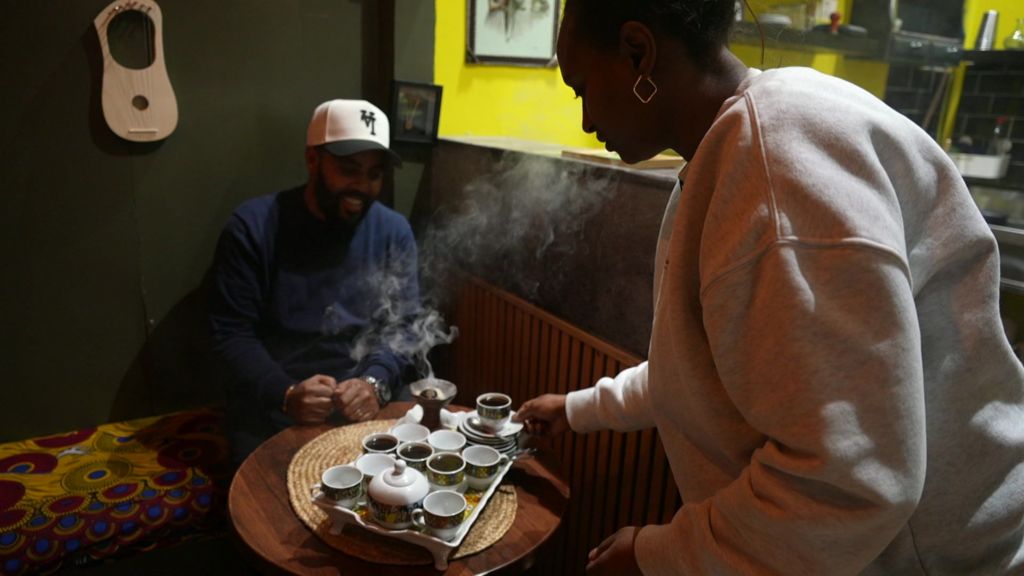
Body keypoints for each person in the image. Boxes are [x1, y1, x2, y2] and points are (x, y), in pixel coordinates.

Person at [513, 1, 1024, 574]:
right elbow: (707, 375)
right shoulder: (737, 145)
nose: (585, 119)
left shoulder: (772, 164)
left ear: (638, 52)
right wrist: (578, 409)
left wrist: (659, 555)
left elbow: (852, 480)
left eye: (582, 87)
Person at [210, 99, 420, 465]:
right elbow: (230, 333)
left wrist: (375, 382)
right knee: (269, 507)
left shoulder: (393, 231)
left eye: (374, 174)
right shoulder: (254, 227)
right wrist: (285, 392)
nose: (363, 187)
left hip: (368, 398)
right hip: (274, 402)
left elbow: (403, 327)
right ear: (312, 160)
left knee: (407, 487)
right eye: (348, 169)